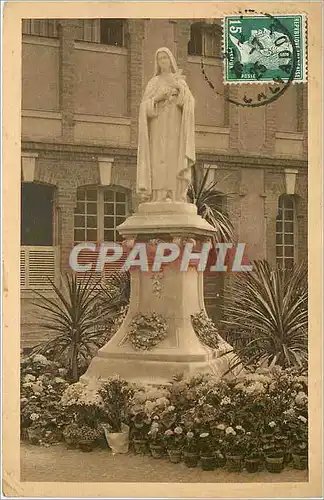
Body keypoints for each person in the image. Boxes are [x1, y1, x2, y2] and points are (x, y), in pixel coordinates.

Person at [136, 47, 195, 202]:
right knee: (158, 158)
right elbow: (144, 108)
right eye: (160, 58)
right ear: (157, 62)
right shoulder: (153, 82)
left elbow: (189, 104)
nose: (163, 61)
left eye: (165, 58)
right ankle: (159, 194)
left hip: (174, 126)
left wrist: (180, 90)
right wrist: (157, 98)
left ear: (171, 60)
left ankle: (174, 193)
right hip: (157, 127)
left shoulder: (179, 81)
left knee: (173, 157)